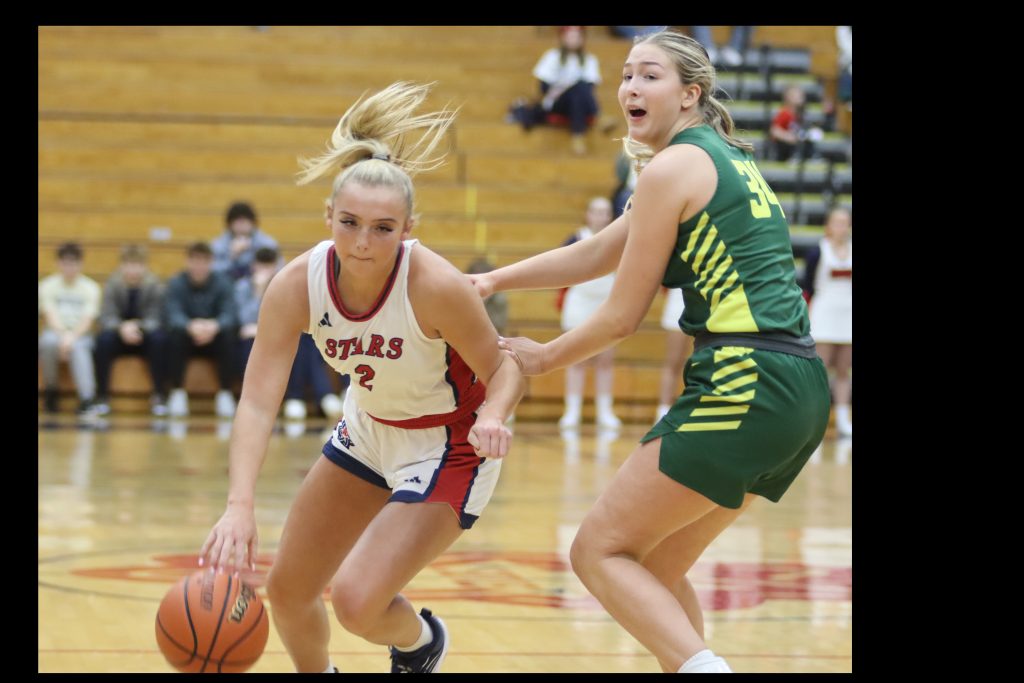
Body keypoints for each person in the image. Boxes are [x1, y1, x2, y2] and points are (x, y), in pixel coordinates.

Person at [468, 30, 830, 673]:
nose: (630, 87)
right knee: (656, 568)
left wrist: (541, 359)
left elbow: (621, 316)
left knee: (597, 552)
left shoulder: (671, 167)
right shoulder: (717, 157)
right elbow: (598, 252)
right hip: (796, 386)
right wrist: (493, 281)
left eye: (650, 75)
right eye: (626, 75)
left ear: (691, 94)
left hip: (746, 379)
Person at [197, 82, 525, 674]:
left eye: (382, 228)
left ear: (408, 227)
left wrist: (496, 415)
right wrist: (239, 505)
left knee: (355, 601)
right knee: (288, 591)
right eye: (348, 222)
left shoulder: (436, 285)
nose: (363, 243)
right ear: (328, 216)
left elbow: (506, 368)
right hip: (369, 428)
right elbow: (257, 402)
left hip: (449, 444)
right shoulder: (297, 285)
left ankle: (422, 641)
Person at [557, 197, 621, 430]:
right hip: (580, 301)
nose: (600, 216)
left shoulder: (618, 240)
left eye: (605, 212)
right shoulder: (575, 239)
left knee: (606, 360)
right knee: (575, 359)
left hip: (606, 301)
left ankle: (605, 411)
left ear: (610, 216)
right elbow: (559, 268)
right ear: (587, 214)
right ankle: (572, 410)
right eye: (596, 211)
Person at [163, 242, 239, 418]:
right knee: (173, 336)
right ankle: (177, 392)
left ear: (211, 263)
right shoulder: (176, 283)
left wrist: (215, 326)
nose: (199, 266)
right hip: (187, 336)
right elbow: (172, 313)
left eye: (203, 261)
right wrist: (190, 326)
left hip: (214, 336)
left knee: (229, 337)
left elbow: (230, 314)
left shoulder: (223, 283)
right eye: (195, 261)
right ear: (188, 262)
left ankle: (225, 393)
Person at [93, 244, 167, 417]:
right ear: (122, 265)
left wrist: (138, 327)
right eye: (129, 264)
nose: (133, 269)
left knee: (160, 340)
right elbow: (107, 316)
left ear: (144, 266)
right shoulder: (112, 284)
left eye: (137, 264)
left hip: (144, 334)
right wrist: (122, 327)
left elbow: (156, 317)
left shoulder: (154, 285)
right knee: (102, 341)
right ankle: (102, 396)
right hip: (119, 334)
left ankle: (159, 395)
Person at [802, 207, 852, 436]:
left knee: (843, 370)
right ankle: (814, 420)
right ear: (828, 226)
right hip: (823, 312)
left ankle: (842, 420)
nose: (842, 227)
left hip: (847, 314)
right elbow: (808, 286)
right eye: (837, 222)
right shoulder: (817, 252)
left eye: (845, 222)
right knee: (819, 372)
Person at [38, 242, 102, 415]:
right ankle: (51, 390)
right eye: (65, 263)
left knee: (79, 347)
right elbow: (49, 315)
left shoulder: (91, 287)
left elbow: (88, 319)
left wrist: (71, 337)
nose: (69, 267)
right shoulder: (47, 285)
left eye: (73, 263)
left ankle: (86, 398)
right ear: (58, 263)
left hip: (81, 334)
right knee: (48, 343)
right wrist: (64, 336)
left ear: (81, 264)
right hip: (54, 332)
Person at [211, 201, 281, 281]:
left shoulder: (267, 244)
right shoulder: (219, 245)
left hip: (257, 284)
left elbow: (279, 267)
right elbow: (212, 271)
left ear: (253, 223)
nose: (241, 226)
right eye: (237, 222)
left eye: (244, 222)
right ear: (229, 225)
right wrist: (232, 256)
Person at [655, 287, 693, 422]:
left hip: (705, 306)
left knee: (699, 363)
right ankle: (662, 412)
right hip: (678, 302)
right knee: (673, 362)